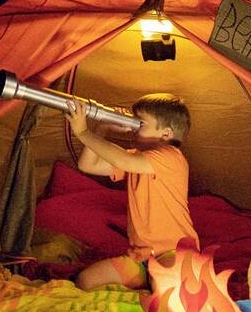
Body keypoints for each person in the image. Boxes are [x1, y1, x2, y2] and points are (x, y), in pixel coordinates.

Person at [69, 93, 197, 290]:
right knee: (86, 281)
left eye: (141, 123)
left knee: (163, 288)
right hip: (141, 256)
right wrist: (102, 127)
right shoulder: (137, 159)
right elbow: (88, 164)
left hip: (175, 252)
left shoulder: (171, 157)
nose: (134, 127)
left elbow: (122, 160)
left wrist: (83, 133)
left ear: (166, 134)